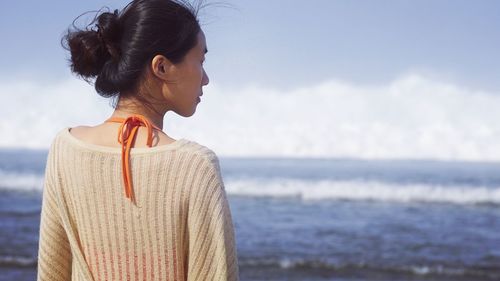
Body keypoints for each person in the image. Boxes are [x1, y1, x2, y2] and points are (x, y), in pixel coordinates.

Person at [36, 0, 239, 280]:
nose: (205, 79)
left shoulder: (65, 148)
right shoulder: (195, 166)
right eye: (200, 61)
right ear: (162, 67)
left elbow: (51, 273)